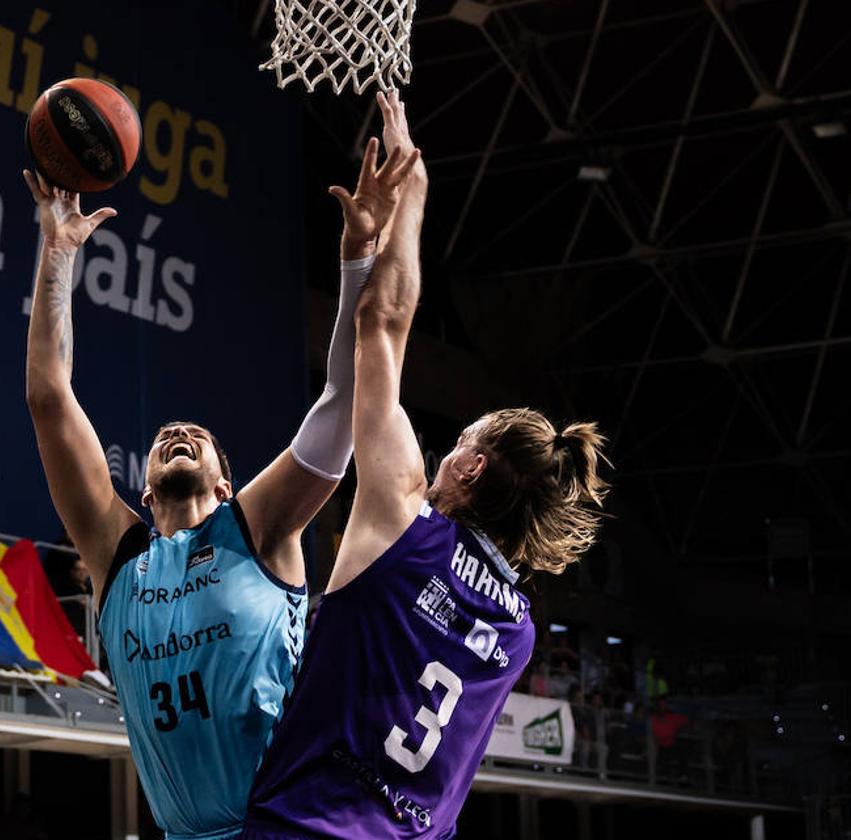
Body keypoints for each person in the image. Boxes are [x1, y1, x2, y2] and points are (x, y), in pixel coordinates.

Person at [20, 92, 420, 840]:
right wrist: (57, 255)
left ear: (226, 484)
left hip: (287, 828)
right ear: (140, 486)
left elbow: (339, 401)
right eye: (167, 435)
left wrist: (357, 255)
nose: (176, 430)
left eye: (196, 437)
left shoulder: (258, 531)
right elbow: (48, 395)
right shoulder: (118, 554)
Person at [243, 90, 610, 838]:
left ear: (471, 469)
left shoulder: (400, 520)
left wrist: (410, 199)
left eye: (457, 445)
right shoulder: (517, 631)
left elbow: (383, 321)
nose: (437, 457)